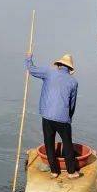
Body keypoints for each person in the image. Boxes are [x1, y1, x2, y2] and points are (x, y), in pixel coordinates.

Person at [25, 51, 80, 179]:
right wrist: (69, 118)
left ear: (59, 65)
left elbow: (32, 70)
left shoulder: (49, 72)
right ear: (70, 68)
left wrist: (28, 58)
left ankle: (54, 171)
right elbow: (72, 103)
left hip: (47, 115)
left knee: (48, 143)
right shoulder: (73, 82)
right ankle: (71, 172)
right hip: (63, 118)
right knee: (67, 144)